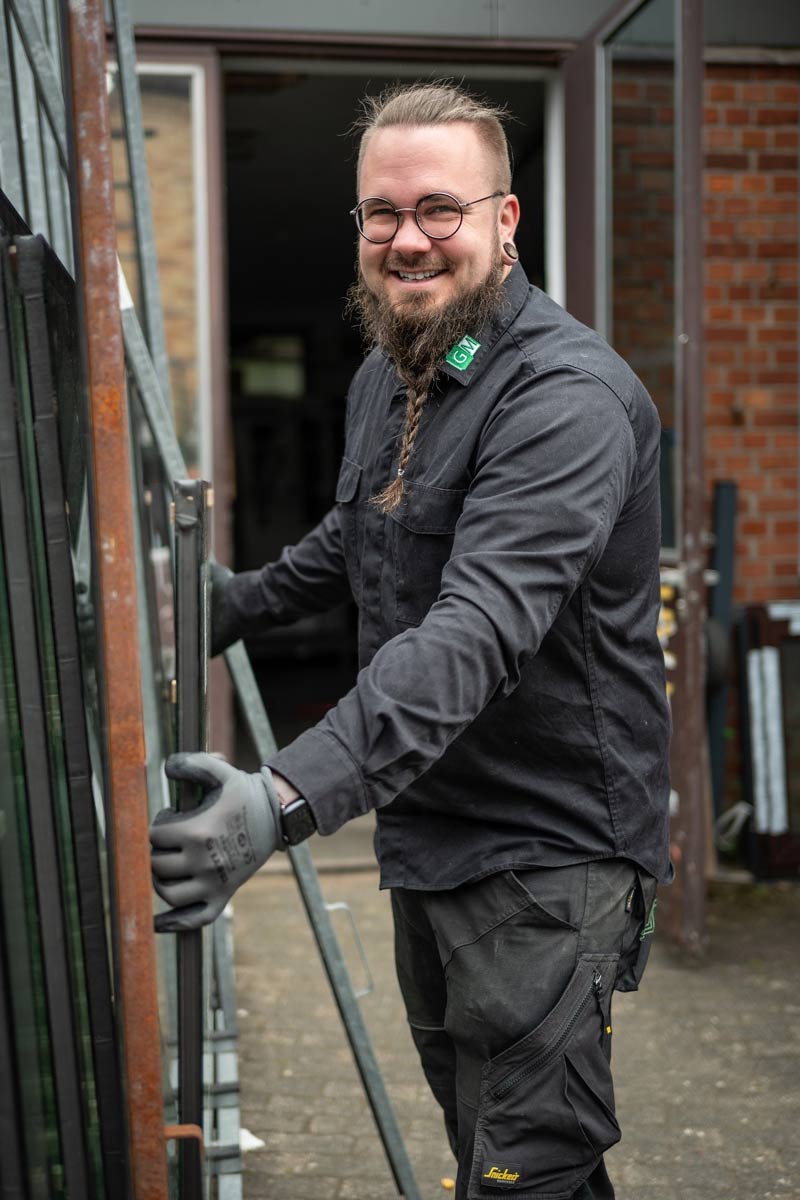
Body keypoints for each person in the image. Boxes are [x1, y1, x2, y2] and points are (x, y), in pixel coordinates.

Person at [150, 81, 671, 1200]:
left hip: (546, 850)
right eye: (380, 215)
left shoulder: (564, 398)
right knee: (480, 1144)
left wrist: (284, 795)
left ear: (504, 219)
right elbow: (361, 540)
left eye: (439, 208)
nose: (407, 239)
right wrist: (227, 604)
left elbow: (474, 630)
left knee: (523, 1172)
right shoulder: (401, 376)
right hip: (433, 832)